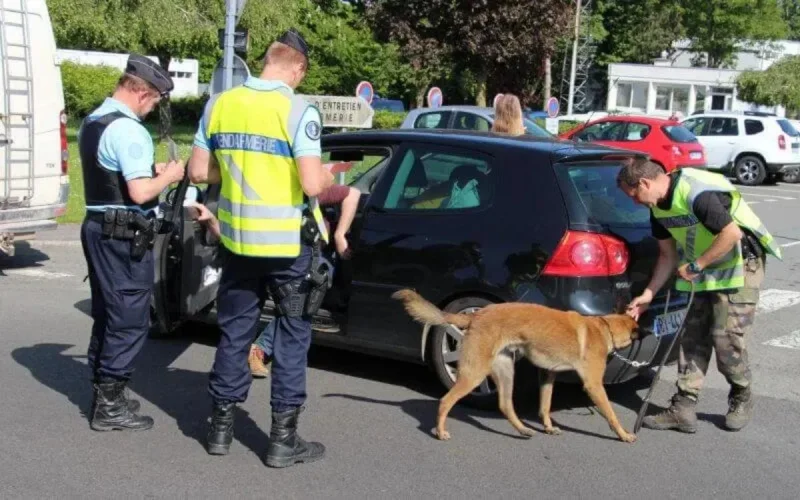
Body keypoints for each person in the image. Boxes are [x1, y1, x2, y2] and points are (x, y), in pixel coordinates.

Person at [188, 28, 335, 467]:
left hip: (237, 244)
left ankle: (219, 431)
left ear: (268, 60)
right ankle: (282, 442)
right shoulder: (298, 110)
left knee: (235, 332)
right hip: (290, 249)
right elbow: (311, 183)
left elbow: (199, 171)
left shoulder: (220, 103)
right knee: (291, 339)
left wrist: (235, 166)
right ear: (298, 68)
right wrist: (328, 177)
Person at [617, 158, 782, 433]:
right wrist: (648, 293)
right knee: (693, 337)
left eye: (633, 194)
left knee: (726, 339)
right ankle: (683, 407)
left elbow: (731, 234)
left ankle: (741, 395)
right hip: (702, 265)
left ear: (644, 183)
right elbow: (668, 255)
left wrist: (696, 266)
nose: (634, 201)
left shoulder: (696, 192)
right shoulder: (657, 208)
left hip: (740, 263)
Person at [79, 54, 184, 432]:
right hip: (123, 236)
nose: (154, 107)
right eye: (155, 100)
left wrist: (147, 173)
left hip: (97, 226)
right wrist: (169, 176)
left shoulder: (94, 120)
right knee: (129, 319)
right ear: (142, 92)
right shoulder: (129, 129)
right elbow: (140, 193)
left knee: (108, 314)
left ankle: (103, 388)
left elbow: (115, 176)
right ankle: (109, 406)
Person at [247, 182, 361, 377]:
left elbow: (353, 193)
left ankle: (261, 350)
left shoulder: (308, 185)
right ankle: (261, 350)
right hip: (282, 254)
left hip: (312, 254)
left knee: (299, 306)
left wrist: (340, 234)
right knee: (298, 307)